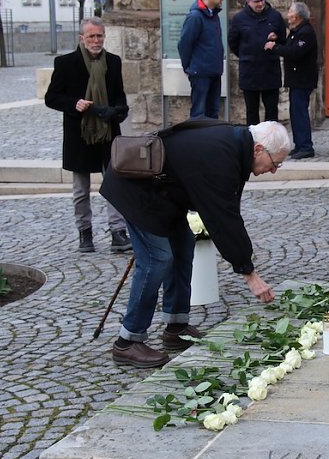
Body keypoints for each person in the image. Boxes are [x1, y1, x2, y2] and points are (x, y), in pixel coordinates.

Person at [99, 120, 292, 368]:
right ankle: (128, 342)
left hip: (165, 194)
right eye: (275, 163)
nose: (274, 170)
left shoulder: (234, 145)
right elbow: (222, 219)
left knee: (183, 246)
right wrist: (248, 273)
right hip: (137, 190)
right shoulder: (220, 157)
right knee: (157, 258)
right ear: (257, 149)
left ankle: (176, 327)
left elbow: (227, 210)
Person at [45, 17, 132, 254]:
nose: (96, 40)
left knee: (114, 183)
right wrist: (75, 103)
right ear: (81, 38)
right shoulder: (66, 63)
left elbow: (120, 97)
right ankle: (85, 232)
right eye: (91, 36)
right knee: (81, 189)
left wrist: (117, 111)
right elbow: (51, 98)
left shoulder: (113, 62)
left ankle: (117, 231)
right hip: (79, 134)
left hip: (108, 130)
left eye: (99, 36)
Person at [264, 1, 318, 159]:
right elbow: (290, 45)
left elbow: (295, 52)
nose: (288, 15)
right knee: (295, 113)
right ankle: (300, 144)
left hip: (303, 80)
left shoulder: (306, 32)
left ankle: (306, 146)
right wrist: (279, 40)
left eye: (290, 12)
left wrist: (274, 47)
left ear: (298, 16)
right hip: (296, 80)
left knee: (300, 113)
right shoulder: (296, 31)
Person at [228, 0, 286, 126]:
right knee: (252, 112)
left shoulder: (275, 16)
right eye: (256, 1)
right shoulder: (239, 18)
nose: (260, 4)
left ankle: (272, 143)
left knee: (272, 111)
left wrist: (276, 38)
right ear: (249, 2)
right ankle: (252, 143)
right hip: (250, 71)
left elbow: (284, 41)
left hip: (270, 69)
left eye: (262, 0)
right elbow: (233, 42)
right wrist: (246, 55)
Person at [178, 0, 225, 119]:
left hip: (214, 71)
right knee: (199, 112)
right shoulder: (195, 17)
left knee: (213, 111)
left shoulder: (213, 15)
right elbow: (185, 44)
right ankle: (197, 140)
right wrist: (187, 66)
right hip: (201, 72)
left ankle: (211, 140)